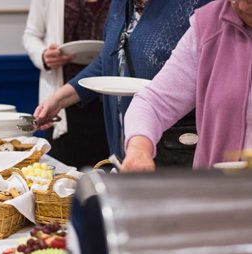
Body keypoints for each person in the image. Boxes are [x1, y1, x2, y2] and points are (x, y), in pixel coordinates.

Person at [33, 0, 213, 167]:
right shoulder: (121, 4)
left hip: (176, 149)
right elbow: (108, 59)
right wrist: (59, 99)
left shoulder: (195, 5)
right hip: (125, 144)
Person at [121, 0, 252, 172]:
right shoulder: (210, 24)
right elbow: (153, 103)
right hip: (216, 193)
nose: (242, 5)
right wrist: (139, 149)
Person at [23, 0, 111, 169]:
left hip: (109, 99)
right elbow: (30, 35)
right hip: (63, 105)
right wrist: (44, 56)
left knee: (107, 176)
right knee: (64, 178)